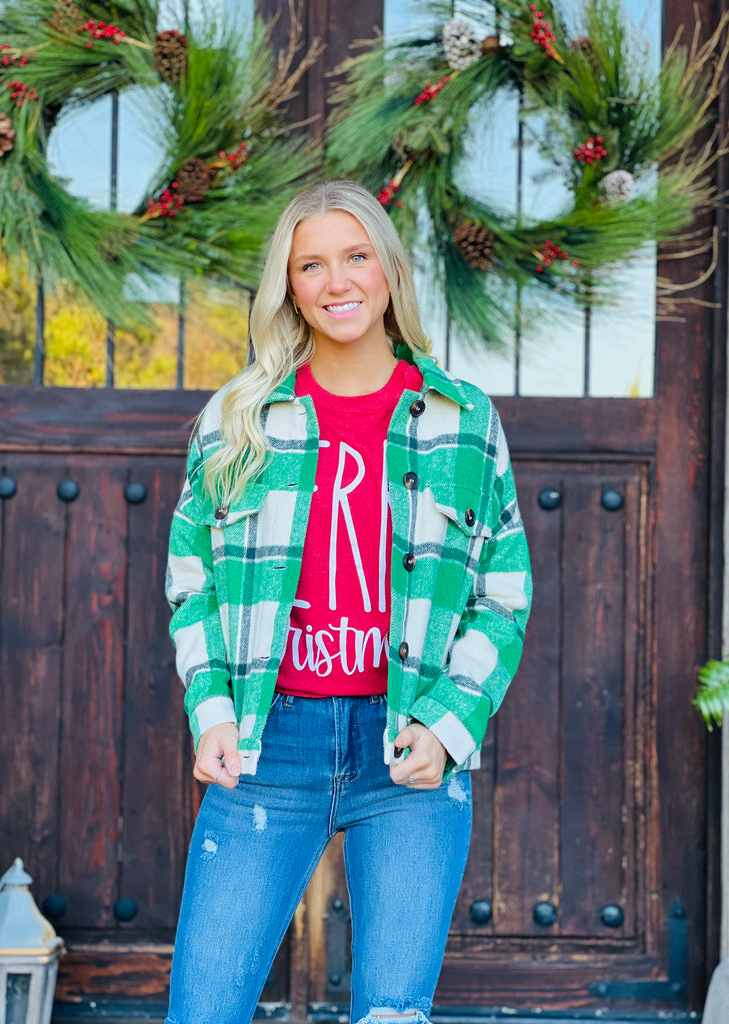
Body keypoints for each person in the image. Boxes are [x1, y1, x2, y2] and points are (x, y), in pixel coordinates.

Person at [164, 179, 532, 1024]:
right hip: (267, 744)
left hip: (406, 749)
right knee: (203, 1011)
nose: (337, 282)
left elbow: (503, 594)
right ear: (289, 288)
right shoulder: (238, 418)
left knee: (392, 1016)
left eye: (356, 256)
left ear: (389, 270)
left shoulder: (464, 420)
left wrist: (448, 724)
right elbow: (192, 580)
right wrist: (211, 709)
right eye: (311, 265)